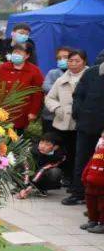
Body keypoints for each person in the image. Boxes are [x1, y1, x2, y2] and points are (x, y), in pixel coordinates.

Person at [44, 48, 85, 188]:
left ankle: (76, 180)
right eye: (71, 61)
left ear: (84, 62)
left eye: (77, 61)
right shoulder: (61, 79)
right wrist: (57, 108)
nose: (73, 63)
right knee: (63, 151)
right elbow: (49, 98)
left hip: (80, 123)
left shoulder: (89, 77)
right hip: (62, 122)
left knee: (78, 152)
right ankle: (64, 177)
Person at [67, 51, 104, 206]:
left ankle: (96, 202)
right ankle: (78, 193)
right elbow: (78, 95)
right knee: (81, 159)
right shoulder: (91, 72)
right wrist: (79, 115)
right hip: (86, 124)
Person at [0, 43, 44, 134]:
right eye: (14, 52)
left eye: (19, 53)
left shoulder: (34, 71)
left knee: (15, 137)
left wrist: (33, 112)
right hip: (0, 110)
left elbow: (37, 94)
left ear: (27, 55)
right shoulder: (2, 67)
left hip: (21, 113)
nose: (16, 55)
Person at [15, 132, 66, 199]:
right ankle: (20, 187)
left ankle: (41, 188)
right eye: (41, 143)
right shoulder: (32, 150)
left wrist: (31, 186)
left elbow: (43, 169)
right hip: (29, 173)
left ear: (55, 147)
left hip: (42, 173)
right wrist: (24, 187)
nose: (42, 146)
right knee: (18, 164)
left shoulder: (59, 156)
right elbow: (26, 167)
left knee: (55, 172)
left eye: (47, 144)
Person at [41, 47, 72, 134]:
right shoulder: (52, 72)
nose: (62, 60)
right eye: (59, 58)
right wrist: (65, 90)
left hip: (69, 117)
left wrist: (56, 90)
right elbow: (45, 86)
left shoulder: (77, 73)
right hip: (50, 116)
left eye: (65, 57)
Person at [80, 131, 104, 233]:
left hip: (102, 185)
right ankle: (93, 220)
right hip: (91, 183)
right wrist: (85, 177)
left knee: (102, 205)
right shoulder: (98, 151)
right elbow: (90, 164)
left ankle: (102, 223)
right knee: (91, 203)